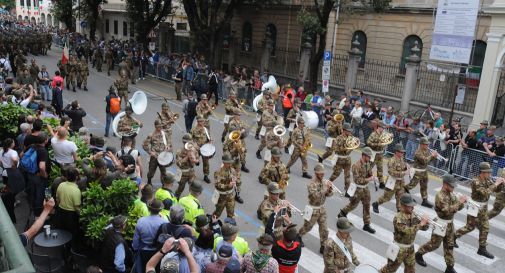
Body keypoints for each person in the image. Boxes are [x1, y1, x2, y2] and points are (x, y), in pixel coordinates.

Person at [415, 174, 468, 273]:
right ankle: (418, 254)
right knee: (434, 244)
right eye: (451, 185)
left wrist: (462, 202)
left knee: (449, 245)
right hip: (440, 223)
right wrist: (459, 202)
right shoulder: (440, 196)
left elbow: (457, 208)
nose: (453, 187)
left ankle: (449, 267)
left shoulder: (451, 194)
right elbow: (447, 211)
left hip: (449, 224)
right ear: (445, 184)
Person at [454, 162, 505, 259]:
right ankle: (453, 237)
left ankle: (482, 248)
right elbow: (485, 193)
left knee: (485, 227)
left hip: (483, 209)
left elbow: (496, 190)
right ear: (482, 172)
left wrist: (501, 185)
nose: (490, 174)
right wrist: (496, 183)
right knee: (470, 227)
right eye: (488, 172)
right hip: (475, 207)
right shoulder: (476, 181)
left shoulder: (487, 179)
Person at [378, 193, 429, 273]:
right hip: (399, 249)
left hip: (410, 248)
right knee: (389, 270)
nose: (412, 207)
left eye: (412, 205)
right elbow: (408, 231)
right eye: (410, 205)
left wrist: (426, 223)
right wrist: (421, 224)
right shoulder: (398, 218)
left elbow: (424, 228)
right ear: (403, 206)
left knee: (411, 270)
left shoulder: (413, 215)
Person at [338, 147, 376, 234]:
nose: (370, 158)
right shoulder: (356, 166)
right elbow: (357, 180)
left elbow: (368, 172)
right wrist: (368, 179)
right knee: (353, 204)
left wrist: (371, 174)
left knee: (367, 205)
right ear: (363, 156)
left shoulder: (368, 163)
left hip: (365, 188)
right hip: (358, 188)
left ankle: (366, 224)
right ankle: (343, 212)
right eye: (368, 156)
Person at [297, 163, 333, 253]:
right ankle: (298, 236)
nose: (323, 175)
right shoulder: (311, 184)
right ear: (316, 173)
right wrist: (325, 189)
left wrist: (330, 189)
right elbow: (315, 196)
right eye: (321, 174)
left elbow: (329, 195)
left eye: (323, 173)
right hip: (313, 209)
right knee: (308, 227)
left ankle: (323, 245)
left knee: (324, 229)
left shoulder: (324, 182)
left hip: (321, 208)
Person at [133, 199, 168, 273]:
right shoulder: (165, 221)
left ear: (149, 209)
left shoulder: (141, 221)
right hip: (158, 251)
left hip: (143, 251)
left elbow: (136, 241)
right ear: (160, 210)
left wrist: (136, 250)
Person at [373, 143, 408, 213]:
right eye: (401, 152)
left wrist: (407, 169)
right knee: (387, 197)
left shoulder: (402, 159)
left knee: (400, 197)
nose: (402, 153)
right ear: (396, 152)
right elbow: (391, 172)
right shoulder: (392, 160)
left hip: (401, 182)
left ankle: (399, 211)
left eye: (403, 152)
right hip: (392, 182)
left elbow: (403, 167)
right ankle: (376, 203)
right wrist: (403, 173)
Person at [404, 137, 438, 208]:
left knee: (424, 186)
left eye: (427, 144)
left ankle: (424, 201)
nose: (427, 146)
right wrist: (431, 155)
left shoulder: (427, 151)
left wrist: (434, 156)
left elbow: (429, 161)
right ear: (421, 144)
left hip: (424, 171)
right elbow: (424, 161)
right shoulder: (418, 152)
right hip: (417, 171)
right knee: (412, 185)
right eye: (426, 144)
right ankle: (403, 192)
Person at [1, 138, 25, 223]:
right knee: (16, 187)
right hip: (12, 172)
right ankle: (12, 200)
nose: (14, 143)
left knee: (7, 187)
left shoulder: (1, 151)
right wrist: (14, 165)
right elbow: (15, 159)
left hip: (5, 171)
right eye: (13, 142)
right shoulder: (13, 152)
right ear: (11, 144)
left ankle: (12, 199)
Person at [143, 120, 171, 185]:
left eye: (161, 126)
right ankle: (149, 181)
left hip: (163, 156)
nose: (160, 128)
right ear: (155, 126)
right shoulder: (151, 135)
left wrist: (168, 146)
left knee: (163, 172)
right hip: (154, 157)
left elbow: (169, 142)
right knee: (151, 172)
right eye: (158, 126)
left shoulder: (164, 134)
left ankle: (164, 185)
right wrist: (150, 152)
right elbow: (144, 145)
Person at [328, 123, 354, 191]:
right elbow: (335, 149)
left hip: (347, 158)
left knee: (347, 175)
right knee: (336, 174)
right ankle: (327, 183)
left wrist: (352, 147)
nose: (350, 132)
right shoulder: (339, 138)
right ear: (344, 130)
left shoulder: (350, 138)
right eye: (348, 131)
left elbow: (352, 146)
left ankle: (347, 190)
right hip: (340, 158)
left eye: (350, 131)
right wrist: (345, 148)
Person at [213, 153, 238, 218]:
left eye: (230, 163)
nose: (230, 164)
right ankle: (212, 224)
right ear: (224, 162)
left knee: (231, 213)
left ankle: (229, 227)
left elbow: (235, 177)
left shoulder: (232, 170)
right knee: (217, 213)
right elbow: (217, 184)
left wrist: (234, 180)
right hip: (222, 197)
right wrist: (227, 186)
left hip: (230, 196)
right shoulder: (218, 172)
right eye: (228, 163)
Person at [175, 134, 199, 198]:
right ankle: (176, 198)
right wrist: (187, 157)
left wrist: (196, 161)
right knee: (181, 188)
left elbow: (197, 160)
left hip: (191, 172)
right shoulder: (179, 151)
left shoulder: (193, 150)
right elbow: (179, 163)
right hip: (183, 173)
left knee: (193, 187)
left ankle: (191, 200)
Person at [191, 116, 212, 183]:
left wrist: (210, 141)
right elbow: (190, 140)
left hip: (204, 149)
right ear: (198, 121)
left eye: (203, 121)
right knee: (193, 161)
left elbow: (209, 138)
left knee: (206, 162)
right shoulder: (193, 130)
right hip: (196, 148)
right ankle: (191, 174)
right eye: (201, 121)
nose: (203, 122)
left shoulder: (205, 129)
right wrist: (194, 145)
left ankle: (206, 176)